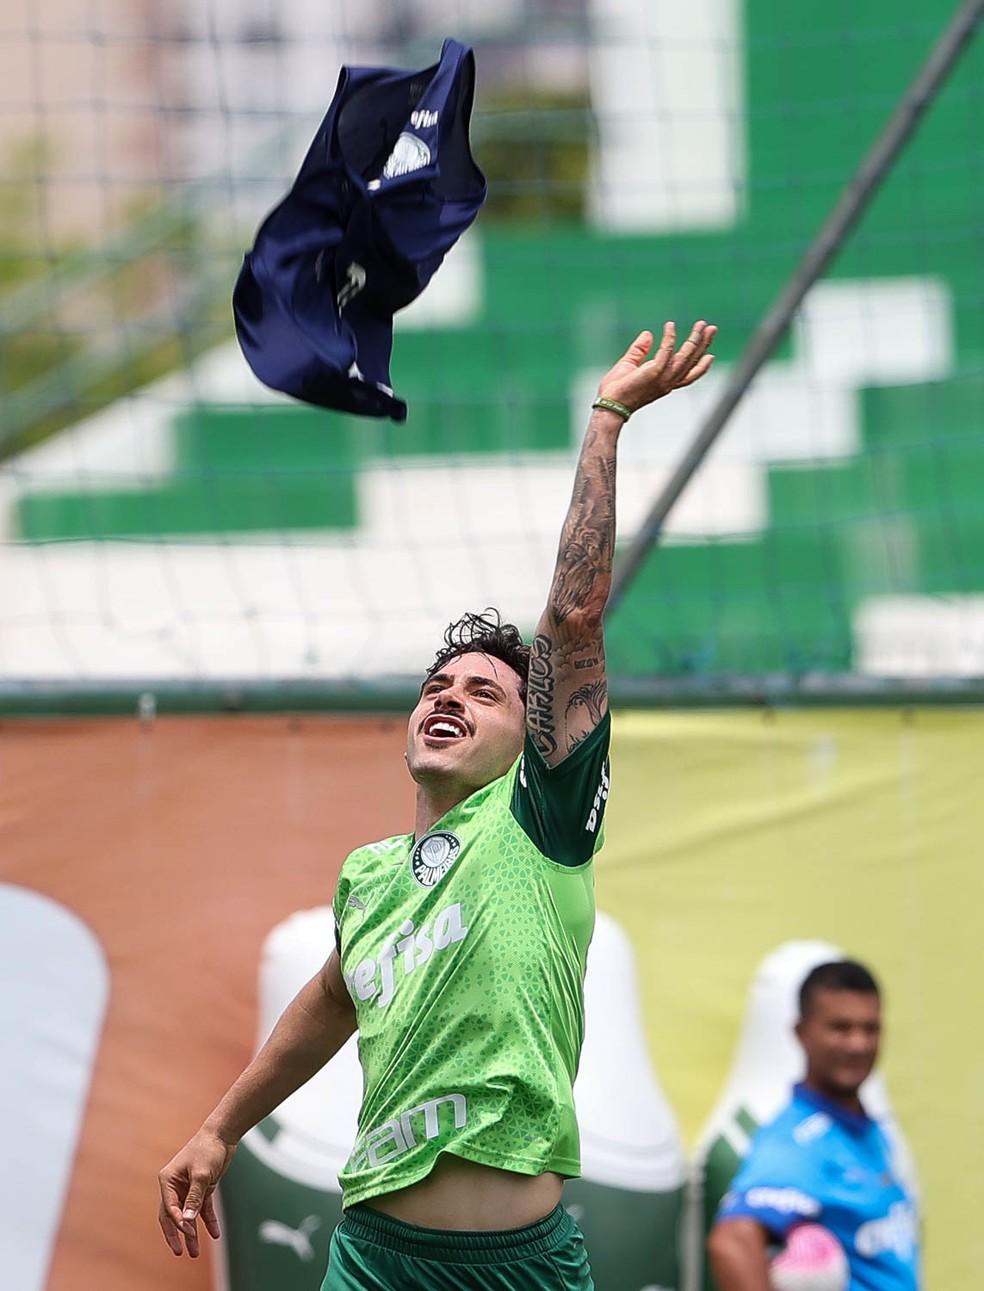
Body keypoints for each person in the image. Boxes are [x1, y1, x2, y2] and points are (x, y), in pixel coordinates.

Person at [157, 319, 717, 1289]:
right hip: (372, 1258)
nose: (448, 697)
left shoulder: (540, 823)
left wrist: (610, 416)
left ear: (531, 737)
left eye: (483, 691)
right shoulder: (370, 877)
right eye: (437, 686)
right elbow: (333, 996)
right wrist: (218, 1128)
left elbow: (574, 619)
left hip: (518, 1266)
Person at [707, 960, 920, 1290]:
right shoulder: (796, 1143)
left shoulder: (870, 1131)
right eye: (840, 1028)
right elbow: (732, 1243)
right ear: (802, 1032)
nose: (858, 1044)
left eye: (870, 1028)